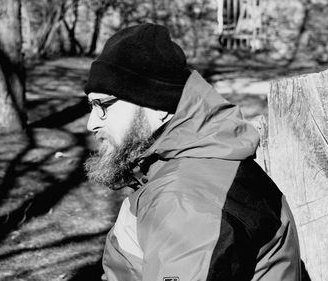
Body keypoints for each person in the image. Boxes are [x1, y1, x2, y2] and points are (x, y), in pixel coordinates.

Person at [84, 23, 302, 281]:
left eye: (103, 105)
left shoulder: (188, 199)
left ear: (157, 106)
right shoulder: (193, 167)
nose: (91, 123)